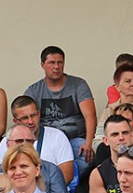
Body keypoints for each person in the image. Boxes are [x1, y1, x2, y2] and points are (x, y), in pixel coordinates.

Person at [24, 45, 96, 175]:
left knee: (87, 158)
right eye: (52, 62)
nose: (56, 67)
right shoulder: (33, 90)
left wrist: (89, 142)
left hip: (75, 139)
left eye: (60, 62)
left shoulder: (78, 85)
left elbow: (90, 116)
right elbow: (25, 117)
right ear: (42, 65)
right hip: (47, 140)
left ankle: (70, 185)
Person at [0, 97, 75, 185]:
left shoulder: (57, 136)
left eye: (33, 115)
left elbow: (67, 175)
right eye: (25, 118)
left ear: (39, 114)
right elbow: (2, 175)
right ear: (15, 121)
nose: (30, 121)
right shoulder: (7, 141)